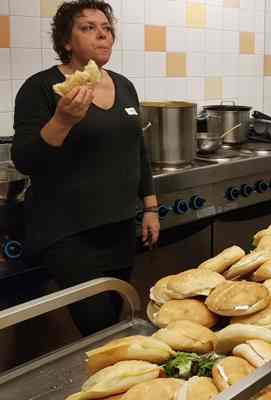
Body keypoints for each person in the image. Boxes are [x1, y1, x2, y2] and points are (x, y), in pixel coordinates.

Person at [11, 0, 159, 336]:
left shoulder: (123, 85)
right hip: (67, 231)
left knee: (113, 316)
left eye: (106, 28)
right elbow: (25, 159)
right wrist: (62, 120)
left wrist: (150, 207)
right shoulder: (42, 88)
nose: (102, 35)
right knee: (98, 323)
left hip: (119, 227)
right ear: (66, 41)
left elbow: (137, 149)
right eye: (88, 28)